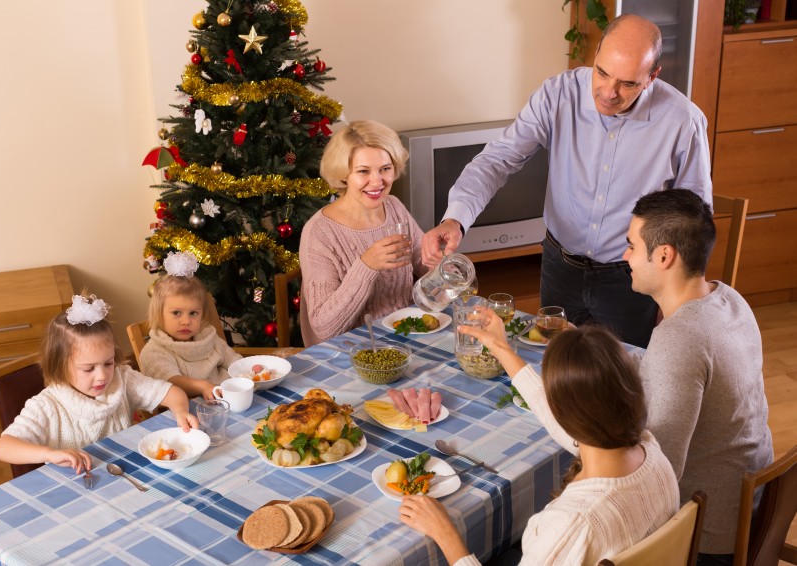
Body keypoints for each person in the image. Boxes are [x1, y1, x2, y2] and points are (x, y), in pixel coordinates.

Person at [420, 14, 712, 348]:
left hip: (634, 278)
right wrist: (455, 218)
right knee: (555, 372)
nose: (609, 92)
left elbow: (695, 221)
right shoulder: (558, 94)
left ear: (652, 77)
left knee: (625, 384)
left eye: (628, 83)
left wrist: (675, 300)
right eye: (602, 72)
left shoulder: (682, 122)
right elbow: (497, 159)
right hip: (560, 267)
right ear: (597, 54)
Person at [399, 324, 679, 565]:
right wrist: (502, 348)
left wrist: (446, 535)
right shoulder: (652, 453)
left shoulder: (572, 524)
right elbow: (557, 414)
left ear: (565, 412)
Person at [624, 189, 772, 565]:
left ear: (663, 255)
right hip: (752, 504)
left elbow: (660, 472)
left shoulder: (679, 338)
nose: (625, 257)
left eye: (631, 246)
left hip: (708, 534)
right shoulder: (728, 298)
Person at [0, 294, 197, 475]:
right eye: (89, 369)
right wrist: (49, 454)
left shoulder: (122, 378)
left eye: (108, 363)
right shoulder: (46, 406)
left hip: (125, 473)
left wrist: (180, 411)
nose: (102, 376)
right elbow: (4, 447)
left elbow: (172, 392)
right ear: (60, 366)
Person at [299, 120, 428, 346]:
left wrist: (445, 264)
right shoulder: (319, 232)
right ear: (343, 174)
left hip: (405, 339)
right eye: (363, 171)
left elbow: (425, 265)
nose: (377, 182)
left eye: (385, 169)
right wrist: (366, 266)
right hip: (350, 354)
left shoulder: (394, 207)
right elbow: (324, 327)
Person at [140, 251, 243, 400]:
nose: (186, 321)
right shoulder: (154, 351)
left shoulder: (208, 336)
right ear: (159, 313)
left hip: (227, 397)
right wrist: (202, 386)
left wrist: (249, 370)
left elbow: (233, 361)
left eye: (193, 313)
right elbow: (171, 381)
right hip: (189, 411)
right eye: (176, 313)